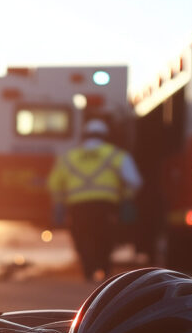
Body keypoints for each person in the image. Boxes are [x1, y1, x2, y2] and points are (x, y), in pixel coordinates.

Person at [47, 118, 142, 281]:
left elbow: (53, 183)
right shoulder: (115, 154)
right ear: (105, 136)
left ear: (84, 136)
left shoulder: (69, 157)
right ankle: (104, 271)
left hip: (78, 206)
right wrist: (126, 198)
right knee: (104, 237)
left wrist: (59, 203)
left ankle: (88, 271)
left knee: (82, 238)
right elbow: (135, 181)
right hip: (105, 205)